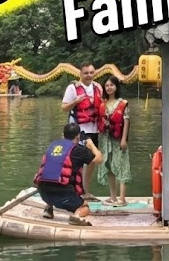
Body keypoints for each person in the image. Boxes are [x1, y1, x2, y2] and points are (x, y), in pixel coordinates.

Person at [33, 123, 103, 226]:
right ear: (78, 136)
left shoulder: (53, 145)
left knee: (49, 176)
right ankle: (76, 217)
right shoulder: (79, 149)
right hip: (63, 197)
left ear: (63, 135)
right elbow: (99, 159)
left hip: (43, 194)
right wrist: (90, 144)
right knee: (85, 207)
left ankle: (48, 208)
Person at [61, 63, 105, 201]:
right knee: (76, 160)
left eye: (91, 72)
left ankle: (85, 190)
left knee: (91, 161)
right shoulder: (73, 88)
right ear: (80, 74)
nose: (89, 75)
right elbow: (63, 108)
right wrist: (75, 101)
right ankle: (73, 190)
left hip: (94, 128)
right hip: (78, 130)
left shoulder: (98, 87)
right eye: (86, 73)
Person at [97, 76, 131, 206]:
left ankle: (122, 199)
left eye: (111, 85)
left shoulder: (123, 103)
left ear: (116, 87)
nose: (109, 88)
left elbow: (126, 121)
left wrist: (124, 139)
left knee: (122, 166)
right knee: (109, 166)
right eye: (107, 86)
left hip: (118, 139)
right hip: (105, 139)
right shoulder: (103, 103)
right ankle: (113, 197)